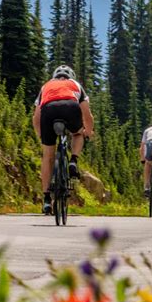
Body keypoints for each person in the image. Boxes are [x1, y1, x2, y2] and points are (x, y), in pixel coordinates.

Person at [33, 65, 94, 215]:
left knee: (48, 156)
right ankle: (73, 160)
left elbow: (36, 117)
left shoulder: (46, 86)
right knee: (77, 134)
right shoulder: (76, 85)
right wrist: (88, 131)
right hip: (70, 107)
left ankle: (47, 199)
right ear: (71, 76)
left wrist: (41, 135)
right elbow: (87, 114)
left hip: (48, 110)